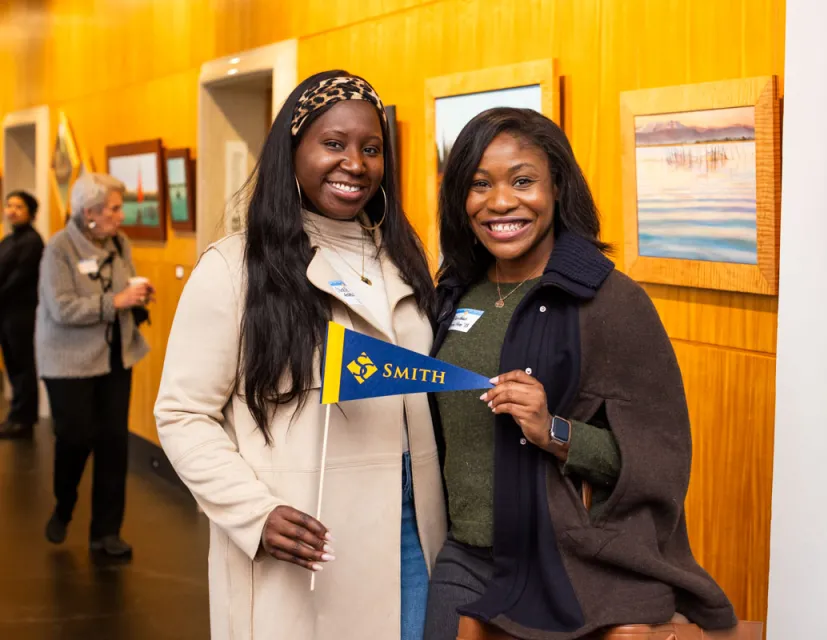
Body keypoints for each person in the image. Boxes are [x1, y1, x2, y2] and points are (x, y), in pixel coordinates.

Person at [424, 108, 737, 639]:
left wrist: (555, 431)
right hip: (465, 557)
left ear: (558, 187)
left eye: (523, 181)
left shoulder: (611, 302)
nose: (501, 202)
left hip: (567, 565)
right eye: (479, 185)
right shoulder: (453, 294)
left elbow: (656, 464)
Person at [155, 71, 445, 640]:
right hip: (304, 540)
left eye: (371, 148)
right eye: (333, 144)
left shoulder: (405, 260)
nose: (354, 164)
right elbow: (183, 414)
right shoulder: (234, 268)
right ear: (292, 151)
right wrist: (253, 512)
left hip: (412, 535)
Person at [36, 173, 153, 558]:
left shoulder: (120, 243)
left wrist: (137, 298)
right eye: (115, 209)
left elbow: (121, 293)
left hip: (117, 357)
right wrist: (115, 302)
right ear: (90, 213)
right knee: (75, 438)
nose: (122, 216)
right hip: (68, 362)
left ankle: (106, 533)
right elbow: (62, 308)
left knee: (113, 444)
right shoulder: (59, 248)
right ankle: (64, 506)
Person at [0, 191, 44, 439]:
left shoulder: (32, 242)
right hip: (6, 314)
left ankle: (23, 418)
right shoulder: (8, 240)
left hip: (21, 314)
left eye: (18, 206)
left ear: (30, 212)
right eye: (9, 205)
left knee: (22, 366)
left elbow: (18, 279)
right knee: (12, 364)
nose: (12, 210)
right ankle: (15, 415)